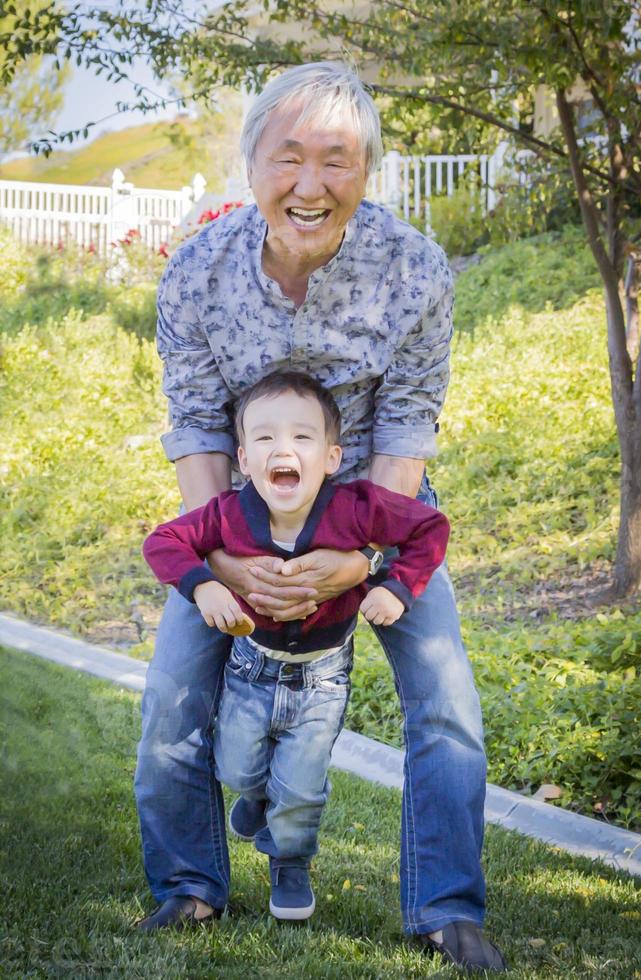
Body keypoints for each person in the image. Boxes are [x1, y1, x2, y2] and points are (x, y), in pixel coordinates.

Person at [134, 61, 506, 972]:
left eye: (336, 161)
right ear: (251, 162)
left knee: (446, 704)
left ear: (367, 171)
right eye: (288, 158)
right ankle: (188, 889)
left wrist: (367, 561)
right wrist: (221, 563)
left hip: (380, 511)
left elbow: (411, 417)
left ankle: (445, 909)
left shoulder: (414, 268)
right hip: (237, 518)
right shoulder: (195, 275)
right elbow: (193, 422)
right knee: (173, 698)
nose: (310, 186)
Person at [142, 371, 450, 921]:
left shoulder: (357, 508)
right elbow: (162, 540)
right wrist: (206, 583)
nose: (283, 448)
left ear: (333, 456)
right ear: (242, 457)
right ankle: (256, 799)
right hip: (250, 666)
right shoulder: (228, 515)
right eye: (264, 438)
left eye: (302, 438)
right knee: (235, 769)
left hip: (322, 676)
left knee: (302, 790)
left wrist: (396, 586)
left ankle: (289, 861)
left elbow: (430, 527)